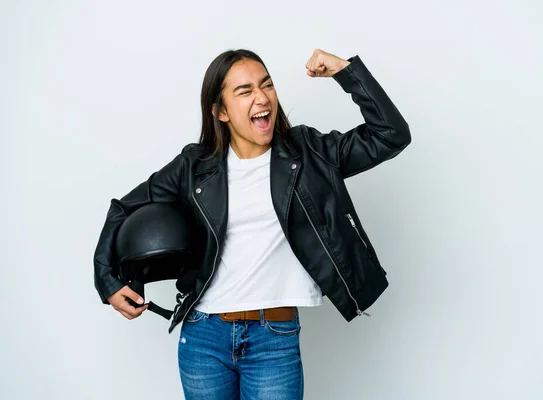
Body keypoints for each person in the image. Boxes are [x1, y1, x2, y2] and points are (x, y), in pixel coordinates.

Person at [93, 48, 411, 399]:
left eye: (267, 85)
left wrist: (345, 72)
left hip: (273, 337)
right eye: (244, 91)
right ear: (221, 111)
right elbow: (124, 208)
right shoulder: (194, 166)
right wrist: (108, 280)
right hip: (203, 336)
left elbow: (390, 135)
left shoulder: (309, 153)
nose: (261, 98)